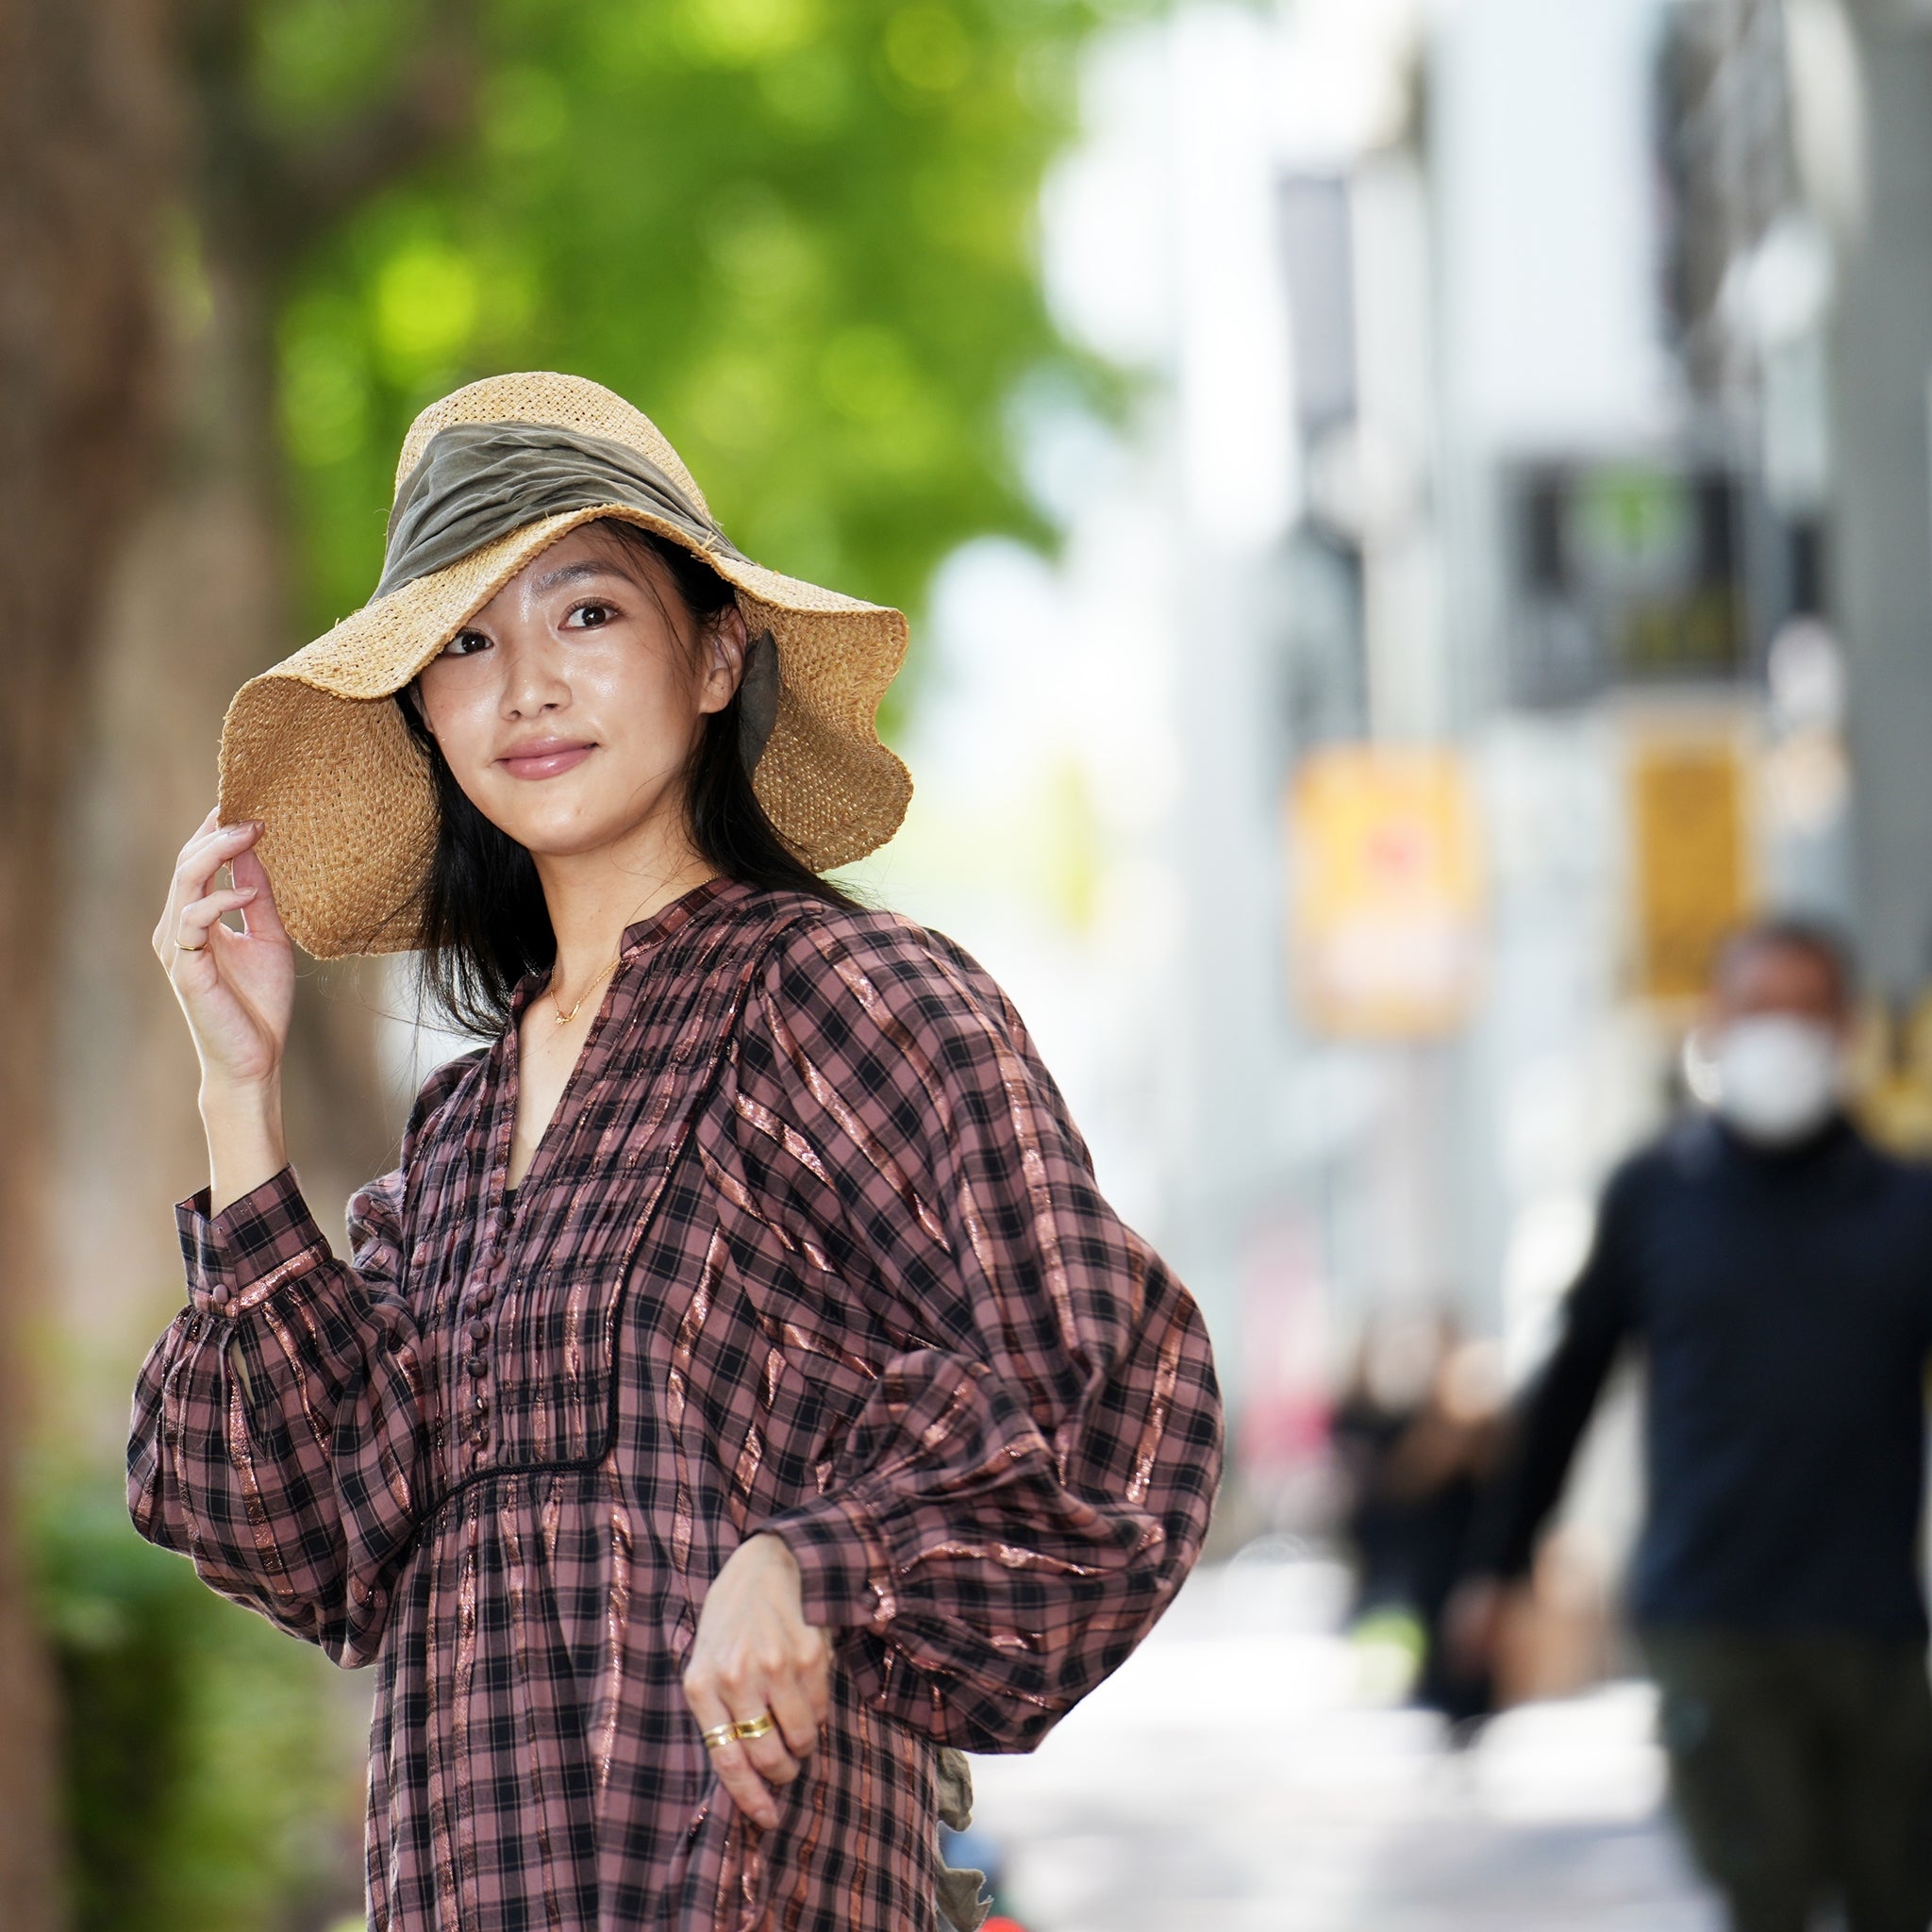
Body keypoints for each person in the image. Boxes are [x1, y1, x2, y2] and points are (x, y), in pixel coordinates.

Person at [127, 373, 1224, 1931]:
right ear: (425, 720)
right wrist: (237, 1093)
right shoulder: (451, 1141)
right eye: (463, 643)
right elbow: (316, 1534)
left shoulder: (855, 1003)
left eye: (586, 613)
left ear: (715, 653)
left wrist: (816, 1561)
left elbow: (1109, 1404)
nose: (524, 688)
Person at [1452, 918, 1932, 1932]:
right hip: (1710, 1615)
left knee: (1896, 1895)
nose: (1781, 1035)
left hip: (1874, 1624)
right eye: (1757, 1009)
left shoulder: (1906, 1206)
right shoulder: (1655, 1195)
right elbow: (1570, 1386)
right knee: (1767, 1890)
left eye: (1805, 1011)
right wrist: (1496, 1565)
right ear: (1713, 1021)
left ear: (1846, 1027)